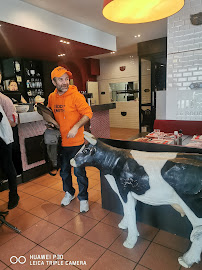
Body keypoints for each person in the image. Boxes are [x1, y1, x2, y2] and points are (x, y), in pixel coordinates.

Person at [48, 66, 93, 212]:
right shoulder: (51, 97)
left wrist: (76, 127)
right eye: (60, 79)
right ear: (54, 82)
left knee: (79, 172)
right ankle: (69, 192)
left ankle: (84, 198)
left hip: (76, 142)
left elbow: (88, 113)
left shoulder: (76, 96)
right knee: (64, 172)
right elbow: (50, 113)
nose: (65, 82)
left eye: (66, 79)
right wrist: (50, 122)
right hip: (60, 142)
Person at [0, 93, 19, 209]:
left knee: (8, 167)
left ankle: (14, 195)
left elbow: (13, 122)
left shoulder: (5, 100)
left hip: (4, 139)